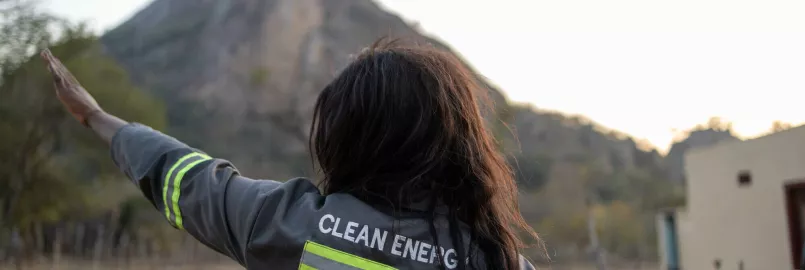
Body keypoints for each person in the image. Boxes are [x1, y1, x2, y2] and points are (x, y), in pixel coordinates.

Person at [41, 40, 540, 270]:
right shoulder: (501, 260)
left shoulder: (296, 228)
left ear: (349, 139)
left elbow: (188, 180)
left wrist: (97, 118)